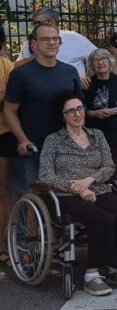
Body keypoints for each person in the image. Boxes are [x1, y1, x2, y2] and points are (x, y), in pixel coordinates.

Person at [38, 92, 117, 295]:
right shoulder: (53, 140)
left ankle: (114, 267)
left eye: (80, 108)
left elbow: (109, 166)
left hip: (97, 188)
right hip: (66, 195)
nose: (77, 114)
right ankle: (91, 274)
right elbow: (45, 175)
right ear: (62, 115)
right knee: (101, 219)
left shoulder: (97, 135)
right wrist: (79, 189)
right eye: (71, 111)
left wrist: (89, 181)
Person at [4, 23, 82, 204]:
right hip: (35, 148)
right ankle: (34, 233)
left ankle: (61, 233)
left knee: (66, 200)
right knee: (36, 198)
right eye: (45, 39)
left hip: (65, 147)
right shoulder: (21, 75)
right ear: (34, 44)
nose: (52, 43)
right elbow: (9, 111)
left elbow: (78, 108)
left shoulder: (69, 72)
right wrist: (22, 139)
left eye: (55, 39)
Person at [83, 49, 117, 191]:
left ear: (109, 61)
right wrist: (93, 113)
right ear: (91, 64)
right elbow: (79, 108)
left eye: (103, 58)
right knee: (99, 169)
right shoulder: (87, 85)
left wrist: (114, 110)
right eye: (96, 60)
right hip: (95, 134)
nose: (100, 62)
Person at [15, 7, 96, 77]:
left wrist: (88, 77)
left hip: (73, 89)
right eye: (35, 23)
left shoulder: (74, 38)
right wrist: (33, 57)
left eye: (41, 23)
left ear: (53, 22)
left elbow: (98, 56)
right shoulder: (32, 42)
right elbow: (15, 67)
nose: (37, 26)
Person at [0, 29, 15, 268]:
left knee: (3, 192)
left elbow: (11, 98)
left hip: (4, 133)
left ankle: (2, 245)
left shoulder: (6, 64)